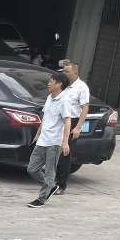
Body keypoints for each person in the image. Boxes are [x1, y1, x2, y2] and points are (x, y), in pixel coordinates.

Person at [28, 69, 70, 207]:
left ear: (59, 84)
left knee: (49, 172)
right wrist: (37, 135)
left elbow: (67, 121)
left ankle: (42, 198)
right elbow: (45, 118)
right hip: (42, 140)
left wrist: (65, 142)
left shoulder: (64, 100)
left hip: (54, 142)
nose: (48, 84)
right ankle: (51, 186)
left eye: (51, 81)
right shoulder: (49, 98)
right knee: (32, 169)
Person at [54, 58, 90, 194]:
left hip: (73, 121)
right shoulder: (63, 86)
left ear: (75, 73)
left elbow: (85, 108)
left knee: (65, 153)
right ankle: (51, 180)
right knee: (54, 150)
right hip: (60, 121)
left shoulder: (81, 87)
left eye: (67, 72)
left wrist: (78, 127)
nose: (64, 74)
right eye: (63, 71)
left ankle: (61, 184)